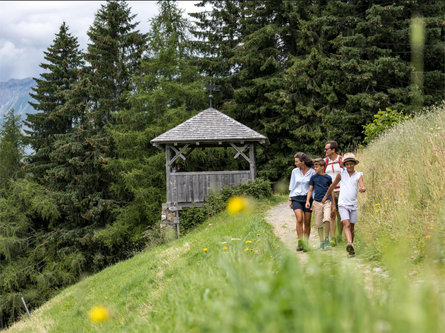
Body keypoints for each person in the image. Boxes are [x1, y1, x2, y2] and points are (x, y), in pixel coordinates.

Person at [322, 153, 365, 257]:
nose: (349, 166)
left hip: (353, 204)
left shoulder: (358, 175)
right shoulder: (341, 174)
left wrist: (362, 188)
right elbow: (332, 185)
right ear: (344, 165)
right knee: (347, 224)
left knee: (352, 228)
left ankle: (351, 248)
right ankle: (349, 243)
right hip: (342, 204)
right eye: (347, 164)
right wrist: (325, 196)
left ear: (354, 164)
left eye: (351, 164)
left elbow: (362, 185)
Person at [305, 158, 335, 250]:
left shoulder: (328, 178)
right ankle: (321, 242)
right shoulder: (313, 178)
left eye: (317, 166)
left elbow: (331, 190)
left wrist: (333, 204)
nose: (315, 168)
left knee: (327, 219)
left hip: (327, 201)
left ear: (322, 167)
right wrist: (307, 201)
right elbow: (310, 190)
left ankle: (326, 239)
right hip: (316, 202)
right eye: (314, 166)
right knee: (318, 224)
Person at [289, 152, 316, 252]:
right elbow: (292, 185)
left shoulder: (312, 172)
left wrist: (313, 201)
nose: (295, 163)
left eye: (296, 161)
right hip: (296, 197)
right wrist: (290, 198)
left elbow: (313, 187)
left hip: (308, 198)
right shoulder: (294, 171)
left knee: (307, 221)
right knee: (299, 218)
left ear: (302, 162)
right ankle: (300, 242)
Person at [324, 140, 343, 246]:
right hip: (330, 191)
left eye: (327, 149)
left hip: (341, 190)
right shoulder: (325, 161)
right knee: (332, 214)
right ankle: (333, 237)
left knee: (341, 215)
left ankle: (340, 235)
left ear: (333, 150)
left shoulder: (341, 160)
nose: (325, 151)